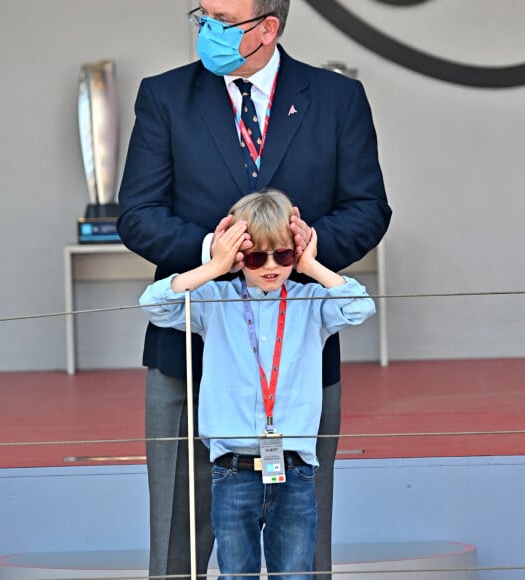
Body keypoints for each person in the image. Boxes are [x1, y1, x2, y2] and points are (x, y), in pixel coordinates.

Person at [117, 1, 392, 578]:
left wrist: (302, 253)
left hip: (299, 364)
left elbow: (368, 209)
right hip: (187, 355)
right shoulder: (164, 97)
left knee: (302, 542)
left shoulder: (337, 100)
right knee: (177, 541)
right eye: (203, 15)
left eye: (223, 20)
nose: (206, 30)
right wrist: (215, 259)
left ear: (268, 28)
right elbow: (138, 214)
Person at [139, 190, 376, 580]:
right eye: (255, 257)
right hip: (232, 470)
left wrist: (311, 265)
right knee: (235, 575)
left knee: (295, 574)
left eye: (282, 255)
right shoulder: (215, 300)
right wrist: (215, 264)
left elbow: (359, 306)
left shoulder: (310, 300)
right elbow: (155, 304)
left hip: (296, 470)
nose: (270, 266)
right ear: (239, 257)